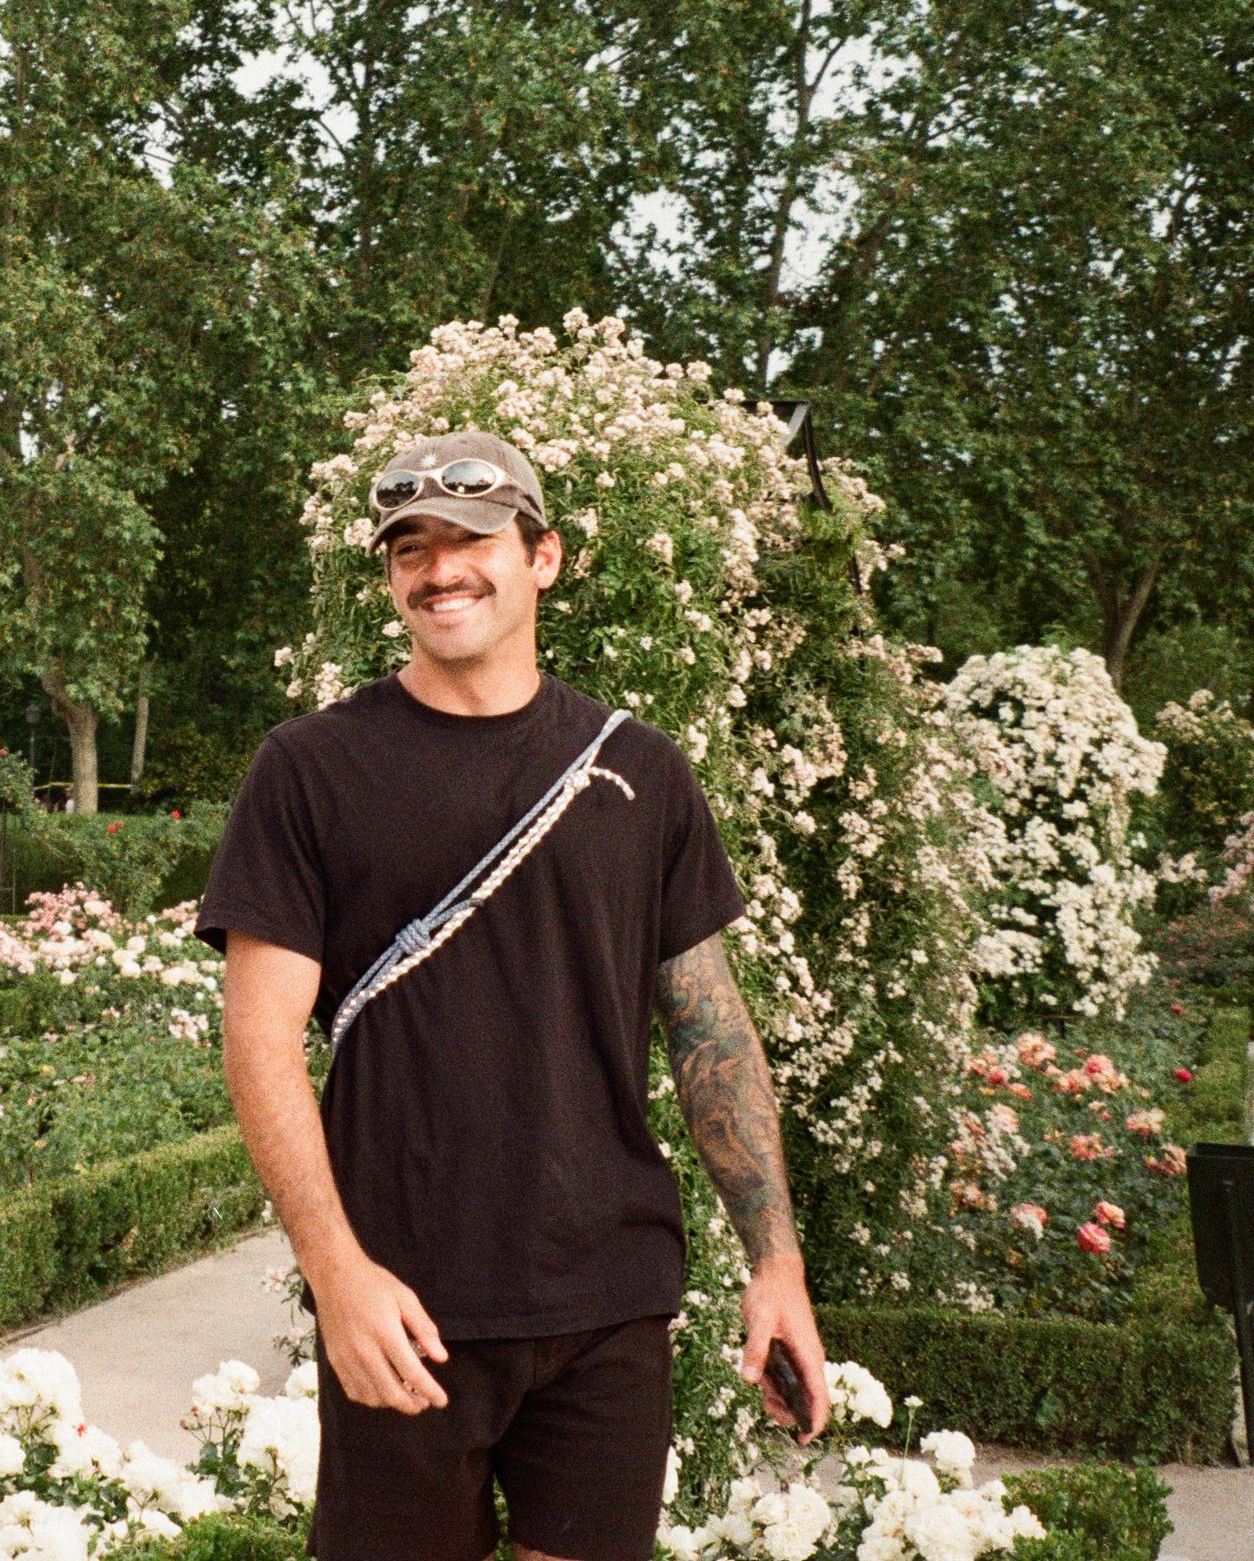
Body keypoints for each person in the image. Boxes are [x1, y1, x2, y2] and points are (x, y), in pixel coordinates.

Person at [200, 431, 830, 1561]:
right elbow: (258, 1045)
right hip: (404, 1302)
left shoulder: (639, 769)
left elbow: (709, 1033)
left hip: (608, 1298)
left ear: (546, 557)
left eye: (472, 539)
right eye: (412, 547)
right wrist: (337, 1277)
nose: (440, 568)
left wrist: (774, 1264)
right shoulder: (309, 767)